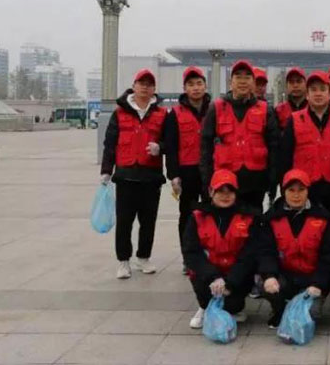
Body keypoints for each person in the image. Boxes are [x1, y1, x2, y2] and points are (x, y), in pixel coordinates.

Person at [100, 68, 167, 279]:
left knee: (148, 221)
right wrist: (106, 171)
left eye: (149, 84)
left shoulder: (162, 114)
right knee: (124, 222)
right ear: (134, 86)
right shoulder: (119, 113)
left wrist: (160, 147)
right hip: (126, 176)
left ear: (154, 89)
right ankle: (123, 261)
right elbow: (110, 144)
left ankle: (144, 257)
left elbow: (171, 142)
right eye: (141, 83)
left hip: (151, 177)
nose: (145, 87)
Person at [183, 169, 263, 329]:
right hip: (209, 275)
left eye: (230, 191)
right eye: (220, 191)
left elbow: (250, 255)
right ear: (210, 192)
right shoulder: (197, 217)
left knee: (234, 305)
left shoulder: (249, 217)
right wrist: (213, 277)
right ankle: (204, 307)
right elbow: (192, 252)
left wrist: (230, 282)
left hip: (236, 276)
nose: (225, 196)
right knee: (201, 282)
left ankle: (232, 308)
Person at [259, 169, 330, 328]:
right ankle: (279, 310)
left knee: (311, 314)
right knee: (264, 284)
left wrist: (318, 283)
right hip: (285, 276)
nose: (296, 195)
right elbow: (266, 251)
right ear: (283, 192)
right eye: (291, 190)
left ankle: (303, 304)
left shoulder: (323, 218)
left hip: (312, 278)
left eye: (301, 190)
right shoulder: (271, 218)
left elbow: (328, 256)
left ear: (308, 191)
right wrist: (269, 275)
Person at [200, 59, 280, 211]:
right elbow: (205, 147)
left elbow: (273, 147)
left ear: (253, 82)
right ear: (231, 82)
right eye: (238, 77)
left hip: (256, 182)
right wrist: (207, 180)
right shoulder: (216, 108)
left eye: (247, 77)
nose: (243, 81)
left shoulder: (265, 110)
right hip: (225, 183)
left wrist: (273, 180)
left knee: (254, 221)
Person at [279, 71, 330, 218]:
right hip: (305, 189)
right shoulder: (294, 120)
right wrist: (285, 188)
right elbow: (285, 156)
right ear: (307, 95)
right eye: (313, 90)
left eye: (322, 89)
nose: (318, 94)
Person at [165, 66, 211, 273]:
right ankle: (188, 257)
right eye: (191, 84)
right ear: (185, 88)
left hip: (210, 170)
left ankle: (210, 253)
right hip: (187, 171)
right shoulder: (175, 114)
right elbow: (171, 146)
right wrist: (173, 175)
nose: (196, 88)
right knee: (188, 215)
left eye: (199, 83)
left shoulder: (215, 110)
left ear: (205, 86)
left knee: (211, 213)